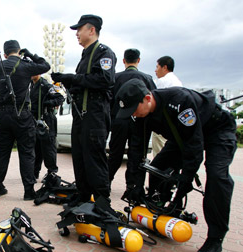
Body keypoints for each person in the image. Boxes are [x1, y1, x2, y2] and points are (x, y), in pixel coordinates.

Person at [116, 78, 237, 252]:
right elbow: (136, 149)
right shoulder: (141, 114)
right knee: (157, 168)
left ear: (147, 98)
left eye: (133, 108)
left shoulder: (180, 101)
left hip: (216, 130)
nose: (132, 113)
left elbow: (194, 149)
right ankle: (163, 210)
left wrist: (183, 185)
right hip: (182, 136)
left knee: (217, 177)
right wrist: (135, 185)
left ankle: (215, 238)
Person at [51, 14, 116, 202]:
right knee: (79, 158)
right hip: (81, 116)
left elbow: (105, 80)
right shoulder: (86, 55)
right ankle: (83, 197)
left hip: (95, 115)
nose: (77, 33)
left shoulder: (104, 53)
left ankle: (102, 200)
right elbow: (85, 84)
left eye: (79, 29)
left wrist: (73, 78)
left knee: (94, 159)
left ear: (92, 30)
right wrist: (67, 82)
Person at [0, 40, 50, 200]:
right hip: (22, 115)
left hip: (3, 114)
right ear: (19, 51)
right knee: (27, 152)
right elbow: (45, 66)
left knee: (2, 152)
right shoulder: (25, 65)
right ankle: (28, 190)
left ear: (4, 53)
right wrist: (30, 55)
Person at [108, 48, 156, 194]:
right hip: (140, 122)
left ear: (124, 61)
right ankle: (133, 186)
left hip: (119, 120)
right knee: (137, 154)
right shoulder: (147, 78)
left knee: (115, 153)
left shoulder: (115, 78)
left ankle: (106, 182)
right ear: (138, 60)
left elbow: (109, 100)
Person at [29, 74, 64, 179]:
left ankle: (52, 173)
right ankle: (35, 173)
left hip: (47, 119)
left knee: (48, 149)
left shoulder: (45, 85)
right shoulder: (31, 85)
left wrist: (48, 103)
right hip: (35, 120)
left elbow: (60, 97)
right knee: (36, 148)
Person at [152, 55, 183, 157]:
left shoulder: (163, 81)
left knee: (160, 154)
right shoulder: (177, 82)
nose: (155, 70)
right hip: (175, 124)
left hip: (163, 124)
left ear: (164, 67)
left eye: (157, 67)